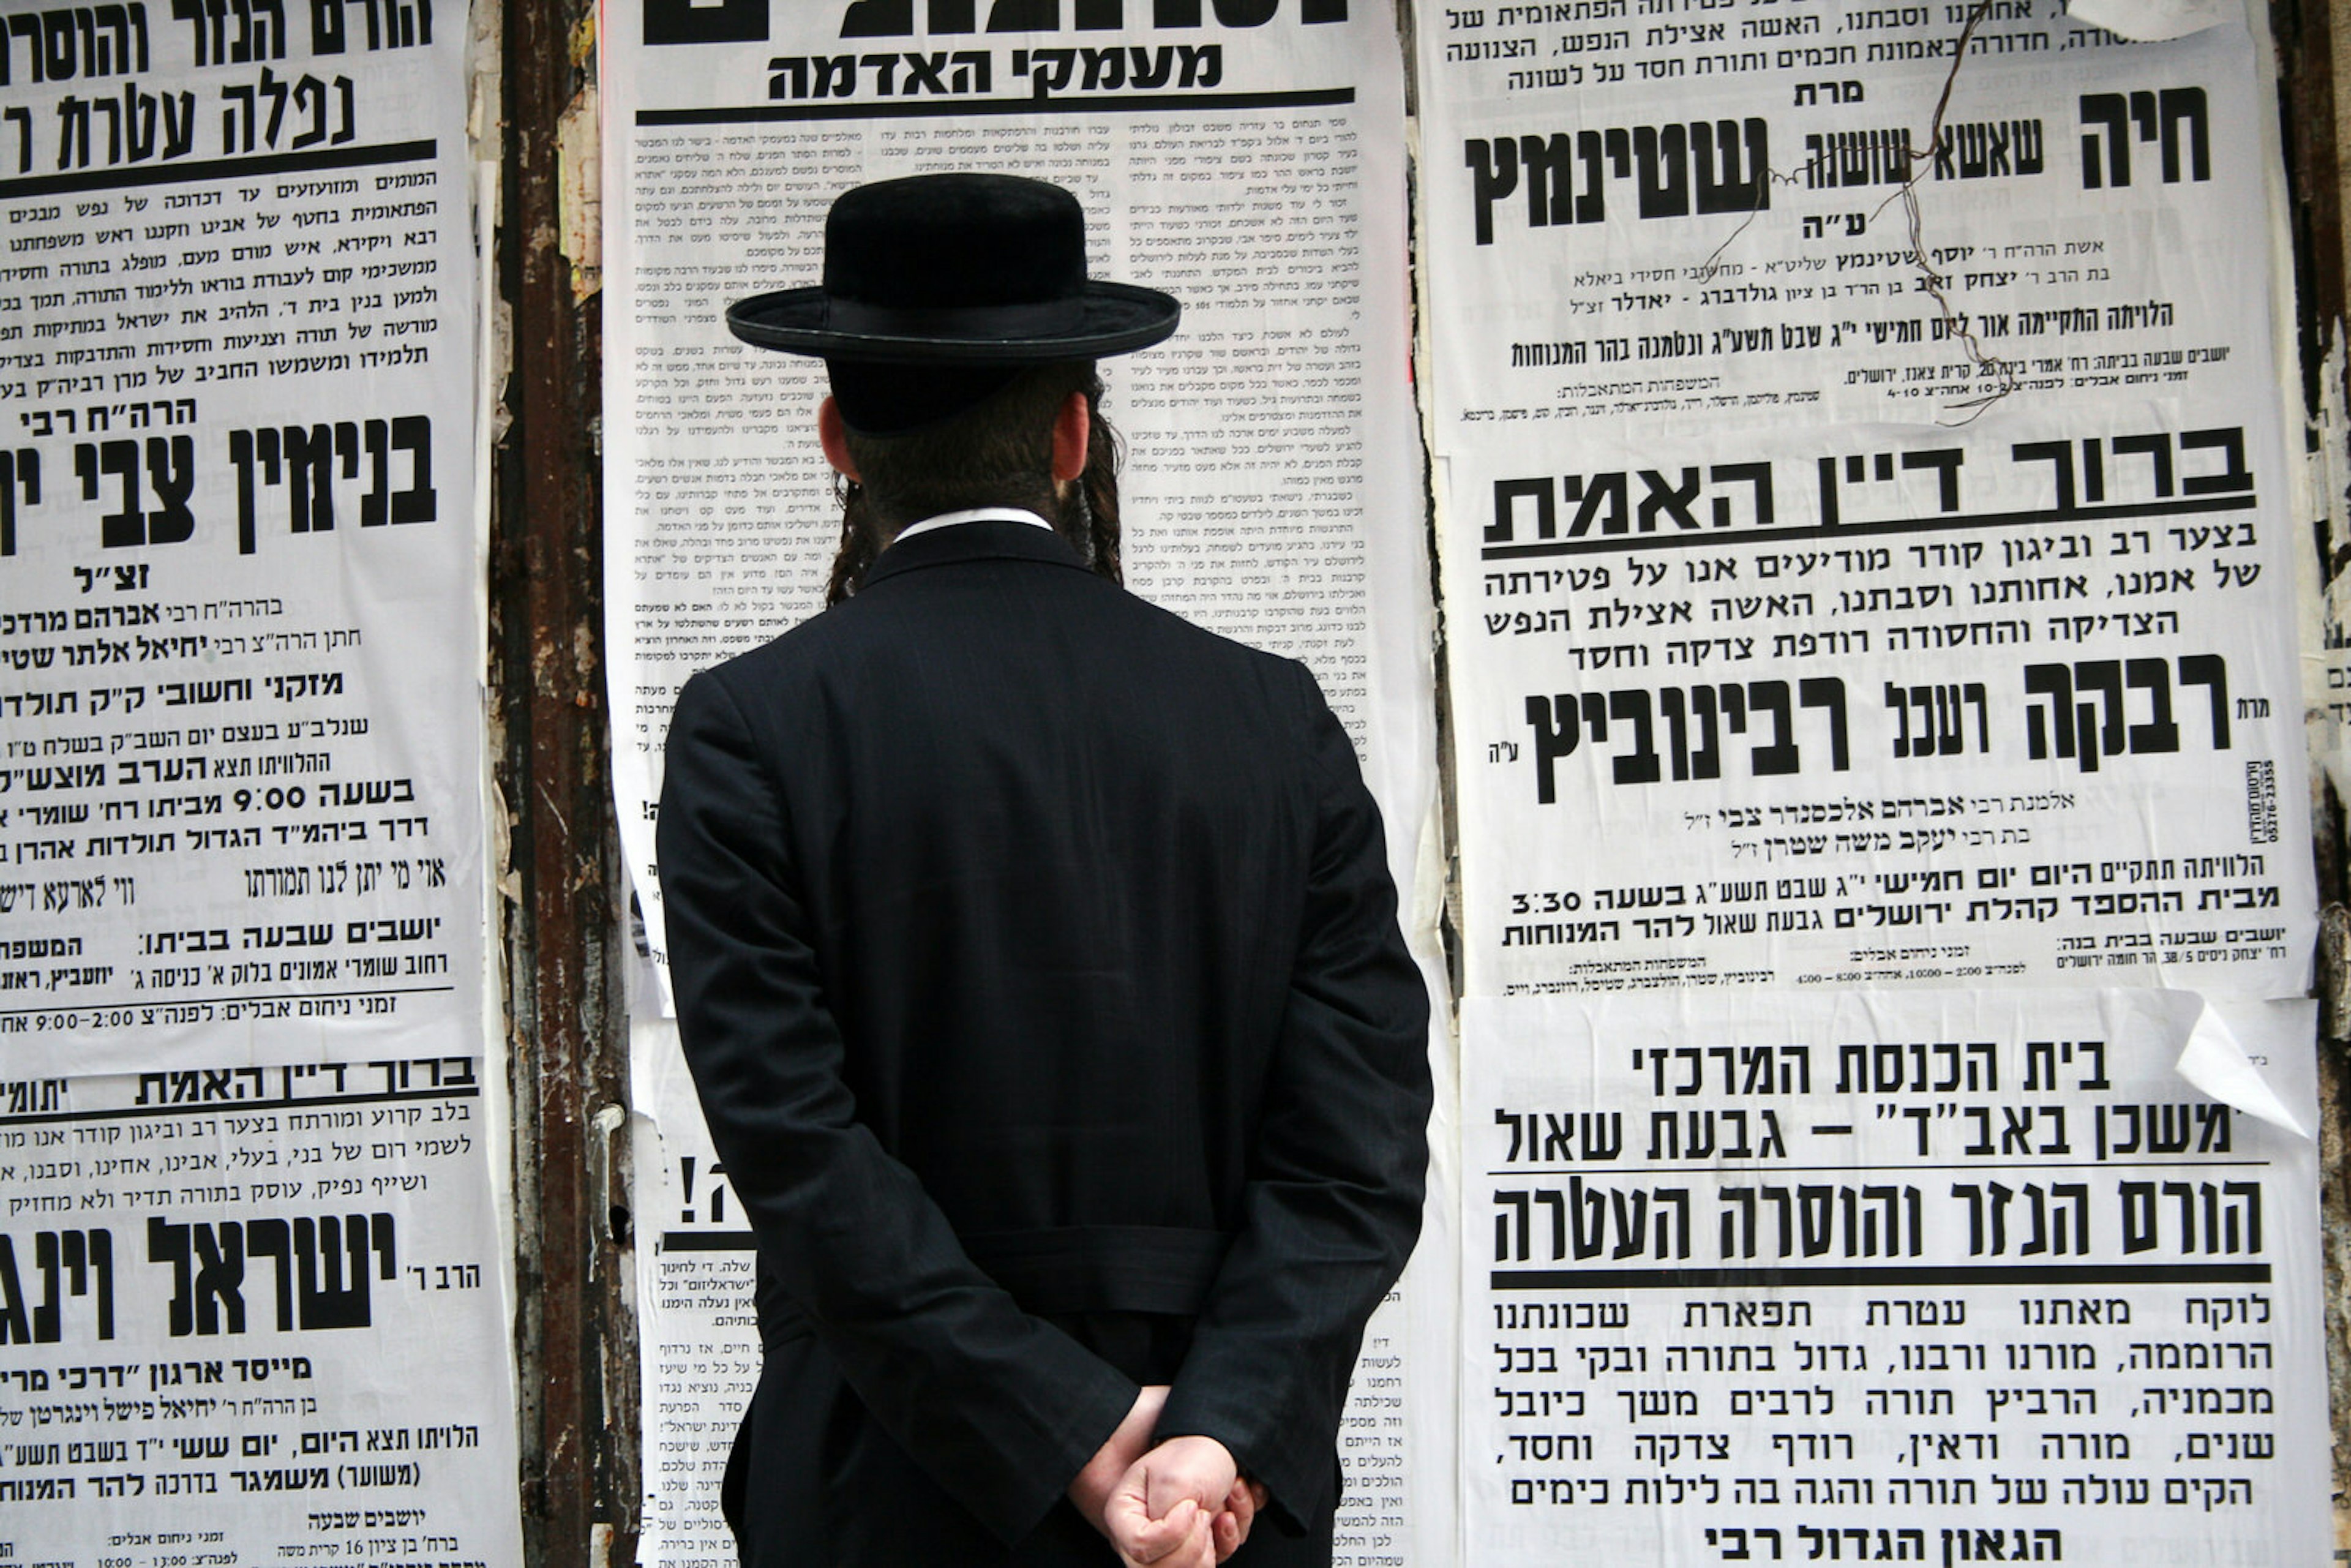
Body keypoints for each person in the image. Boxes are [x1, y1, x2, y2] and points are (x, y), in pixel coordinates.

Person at [657, 171, 1431, 1568]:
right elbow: (1358, 1145)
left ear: (838, 440)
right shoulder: (1273, 721)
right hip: (1215, 1517)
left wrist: (1073, 1433)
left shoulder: (750, 728)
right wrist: (1210, 1433)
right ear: (1075, 435)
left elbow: (801, 1158)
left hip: (882, 1497)